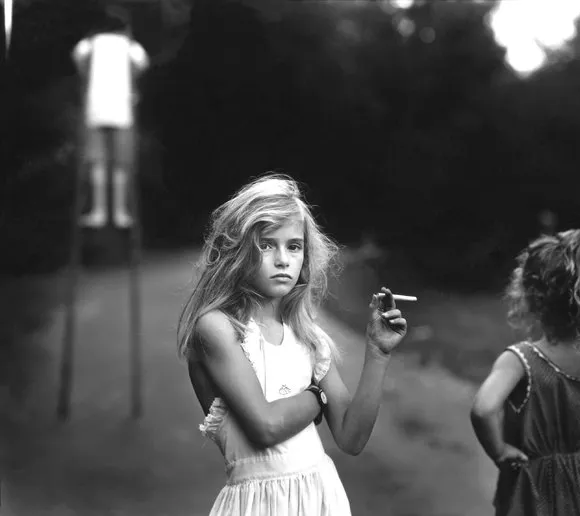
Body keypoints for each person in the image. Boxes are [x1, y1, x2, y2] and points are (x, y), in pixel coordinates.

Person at [177, 174, 407, 515]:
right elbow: (266, 427)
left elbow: (351, 438)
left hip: (320, 499)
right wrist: (317, 395)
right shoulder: (218, 327)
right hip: (258, 505)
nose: (283, 259)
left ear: (305, 259)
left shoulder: (307, 336)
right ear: (239, 251)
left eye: (294, 246)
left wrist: (377, 352)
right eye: (267, 245)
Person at [470, 229, 580, 515]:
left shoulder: (521, 359)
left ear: (532, 297)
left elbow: (483, 409)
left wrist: (499, 452)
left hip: (530, 490)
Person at [71, 10, 149, 228]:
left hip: (95, 111)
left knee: (98, 162)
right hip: (122, 111)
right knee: (120, 164)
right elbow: (142, 64)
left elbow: (78, 59)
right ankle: (120, 213)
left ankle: (99, 212)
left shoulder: (88, 45)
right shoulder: (130, 47)